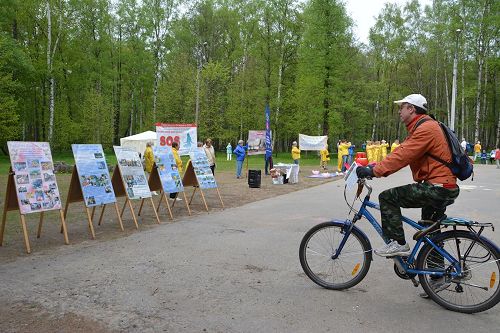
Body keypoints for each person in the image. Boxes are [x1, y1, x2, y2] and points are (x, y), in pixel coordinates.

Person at [356, 93, 459, 259]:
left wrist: (374, 172)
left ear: (411, 109)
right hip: (443, 186)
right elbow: (400, 152)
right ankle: (436, 277)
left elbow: (403, 155)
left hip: (437, 187)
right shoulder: (424, 126)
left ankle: (398, 243)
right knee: (430, 231)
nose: (399, 111)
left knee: (388, 198)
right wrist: (373, 166)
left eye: (401, 107)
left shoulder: (426, 129)